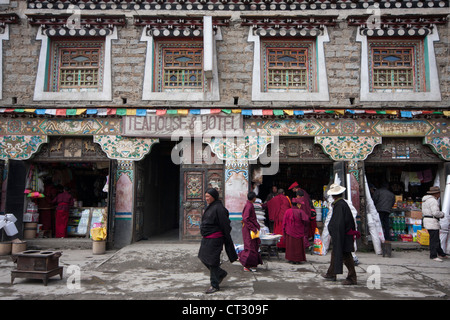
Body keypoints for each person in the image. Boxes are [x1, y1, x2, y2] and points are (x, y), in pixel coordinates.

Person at [198, 188, 238, 294]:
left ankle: (214, 285)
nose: (206, 199)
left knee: (213, 261)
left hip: (215, 239)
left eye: (208, 197)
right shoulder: (210, 207)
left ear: (214, 197)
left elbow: (225, 225)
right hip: (207, 238)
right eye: (205, 196)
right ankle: (220, 273)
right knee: (202, 257)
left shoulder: (219, 208)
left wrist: (225, 238)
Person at [322, 184, 357, 285]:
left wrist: (337, 235)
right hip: (341, 234)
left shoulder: (340, 205)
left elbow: (339, 223)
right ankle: (331, 273)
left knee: (346, 256)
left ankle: (352, 277)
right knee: (335, 253)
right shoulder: (340, 204)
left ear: (333, 195)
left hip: (343, 235)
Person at [282, 191, 310, 264]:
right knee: (297, 247)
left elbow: (284, 222)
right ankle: (297, 259)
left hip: (289, 232)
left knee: (290, 246)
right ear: (297, 204)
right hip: (298, 231)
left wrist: (284, 231)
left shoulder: (287, 211)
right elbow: (306, 219)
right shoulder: (300, 212)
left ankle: (290, 258)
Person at [422, 186, 447, 262]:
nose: (439, 195)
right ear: (436, 194)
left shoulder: (425, 200)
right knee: (434, 239)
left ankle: (441, 253)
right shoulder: (433, 201)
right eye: (439, 193)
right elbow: (435, 212)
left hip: (427, 220)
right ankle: (433, 255)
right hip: (432, 221)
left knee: (435, 238)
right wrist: (442, 214)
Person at [239, 192, 263, 271]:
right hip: (248, 229)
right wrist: (253, 228)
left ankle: (252, 264)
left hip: (249, 228)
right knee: (250, 247)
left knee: (253, 246)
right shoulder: (249, 205)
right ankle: (247, 266)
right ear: (254, 198)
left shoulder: (249, 204)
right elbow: (246, 219)